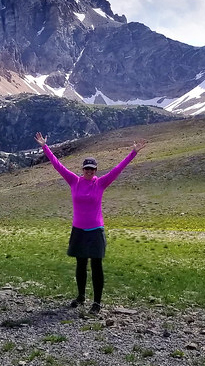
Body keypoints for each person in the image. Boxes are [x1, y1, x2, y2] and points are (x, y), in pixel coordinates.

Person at [34, 132, 147, 314]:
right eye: (87, 169)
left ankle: (97, 302)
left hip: (95, 231)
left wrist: (133, 153)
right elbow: (57, 165)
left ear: (96, 170)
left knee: (96, 267)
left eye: (92, 169)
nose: (89, 172)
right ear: (82, 169)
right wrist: (44, 147)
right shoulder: (74, 181)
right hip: (79, 230)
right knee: (80, 265)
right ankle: (80, 296)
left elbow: (118, 169)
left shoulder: (101, 183)